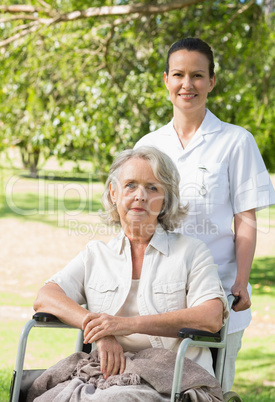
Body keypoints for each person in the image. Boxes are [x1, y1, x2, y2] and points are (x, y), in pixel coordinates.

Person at [32, 146, 228, 401]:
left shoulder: (191, 252)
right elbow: (46, 296)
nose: (140, 196)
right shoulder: (96, 255)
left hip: (174, 379)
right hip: (104, 374)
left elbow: (210, 317)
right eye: (131, 185)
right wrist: (101, 331)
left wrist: (126, 325)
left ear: (165, 199)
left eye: (153, 188)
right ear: (114, 193)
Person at [135, 37, 275, 392]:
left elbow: (245, 218)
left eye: (197, 75)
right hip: (158, 293)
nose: (187, 84)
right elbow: (136, 220)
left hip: (217, 290)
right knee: (155, 389)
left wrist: (240, 282)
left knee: (212, 391)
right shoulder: (148, 146)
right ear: (165, 79)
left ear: (211, 81)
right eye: (179, 74)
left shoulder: (236, 141)